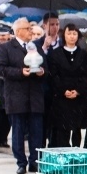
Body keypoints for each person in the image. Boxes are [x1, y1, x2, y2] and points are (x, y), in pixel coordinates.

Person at [0, 18, 47, 174]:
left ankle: (34, 161)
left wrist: (42, 71)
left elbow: (45, 66)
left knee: (36, 131)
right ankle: (21, 162)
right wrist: (20, 72)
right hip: (16, 96)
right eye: (28, 29)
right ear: (18, 31)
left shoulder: (36, 47)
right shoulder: (5, 48)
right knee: (18, 131)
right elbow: (1, 70)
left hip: (35, 96)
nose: (31, 31)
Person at [47, 24, 87, 147]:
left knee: (77, 129)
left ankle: (76, 155)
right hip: (61, 98)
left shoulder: (83, 54)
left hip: (78, 98)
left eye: (74, 34)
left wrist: (78, 91)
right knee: (62, 129)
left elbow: (85, 75)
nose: (72, 37)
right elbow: (54, 75)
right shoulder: (56, 54)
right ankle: (63, 155)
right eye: (69, 33)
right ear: (64, 35)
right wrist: (63, 90)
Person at [34, 12, 61, 148]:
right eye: (51, 24)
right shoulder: (36, 44)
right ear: (44, 25)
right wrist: (44, 48)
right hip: (43, 90)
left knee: (57, 125)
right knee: (42, 125)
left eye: (57, 24)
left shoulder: (63, 43)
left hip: (59, 90)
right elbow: (33, 63)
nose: (55, 27)